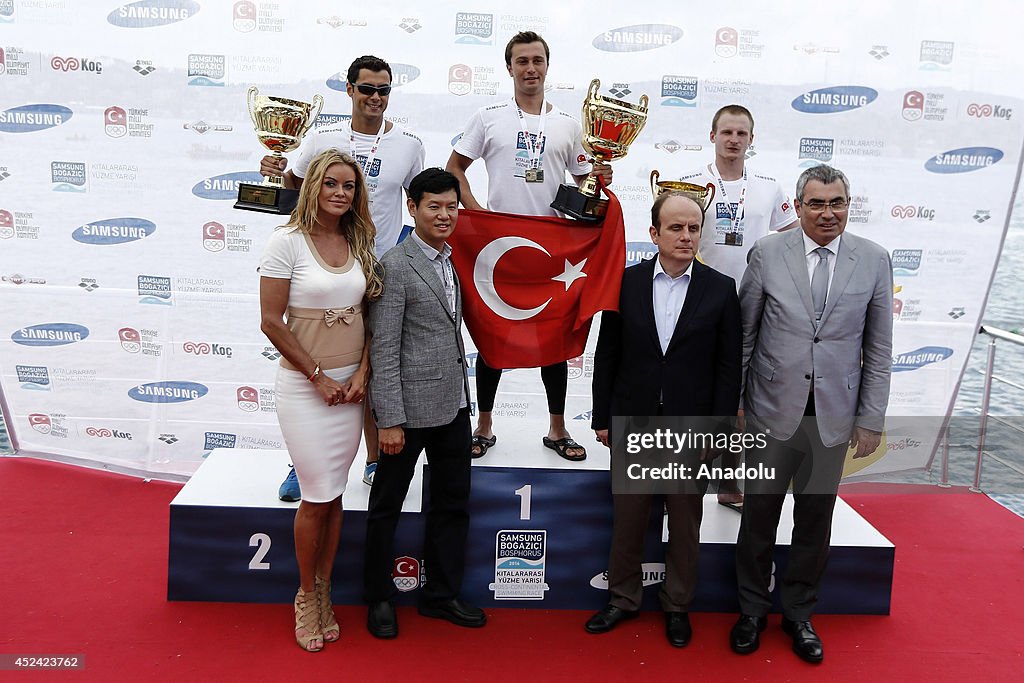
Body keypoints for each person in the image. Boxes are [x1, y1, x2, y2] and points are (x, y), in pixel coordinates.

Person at [730, 164, 893, 663]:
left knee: (814, 521)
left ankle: (799, 614)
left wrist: (870, 420)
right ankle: (752, 611)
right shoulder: (766, 253)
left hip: (833, 418)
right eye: (817, 203)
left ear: (849, 204)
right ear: (798, 207)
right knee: (758, 518)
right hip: (767, 412)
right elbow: (745, 335)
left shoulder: (875, 260)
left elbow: (879, 348)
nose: (828, 213)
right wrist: (735, 404)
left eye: (837, 202)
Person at [263, 55, 425, 498]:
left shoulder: (409, 144)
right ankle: (303, 462)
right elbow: (293, 186)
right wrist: (273, 172)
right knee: (312, 358)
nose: (376, 97)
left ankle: (375, 462)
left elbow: (419, 201)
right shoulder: (320, 136)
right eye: (367, 88)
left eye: (384, 90)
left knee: (378, 367)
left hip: (381, 270)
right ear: (349, 89)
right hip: (325, 266)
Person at [446, 31, 611, 462]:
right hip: (499, 249)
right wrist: (477, 213)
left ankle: (557, 429)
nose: (531, 68)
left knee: (553, 339)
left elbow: (583, 181)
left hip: (551, 252)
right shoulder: (488, 116)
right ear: (509, 68)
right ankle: (483, 425)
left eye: (537, 60)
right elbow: (455, 169)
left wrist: (599, 181)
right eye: (522, 61)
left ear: (547, 66)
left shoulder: (569, 125)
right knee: (492, 337)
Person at [586, 192, 741, 647]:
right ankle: (622, 599)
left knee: (685, 523)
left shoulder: (720, 288)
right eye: (676, 228)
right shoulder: (626, 283)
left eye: (694, 228)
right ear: (654, 234)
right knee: (629, 520)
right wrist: (603, 417)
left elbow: (728, 367)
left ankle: (677, 605)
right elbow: (607, 356)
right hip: (633, 422)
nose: (686, 236)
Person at [258, 150, 383, 651]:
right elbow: (270, 321)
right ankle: (306, 596)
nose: (339, 192)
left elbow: (374, 314)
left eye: (349, 186)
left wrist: (363, 373)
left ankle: (326, 590)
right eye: (330, 183)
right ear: (312, 186)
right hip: (306, 389)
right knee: (315, 496)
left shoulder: (360, 238)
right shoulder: (284, 242)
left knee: (334, 494)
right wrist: (317, 377)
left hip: (351, 388)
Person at [363, 168, 486, 638]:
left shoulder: (451, 259)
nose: (445, 214)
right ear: (412, 208)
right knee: (386, 507)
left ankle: (441, 595)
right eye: (433, 206)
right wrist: (389, 420)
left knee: (452, 506)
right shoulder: (395, 265)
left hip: (453, 407)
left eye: (451, 206)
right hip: (406, 416)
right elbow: (384, 348)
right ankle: (378, 597)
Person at [678, 104, 798, 512]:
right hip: (696, 301)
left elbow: (793, 239)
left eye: (741, 133)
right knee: (687, 389)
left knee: (742, 396)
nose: (733, 140)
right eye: (726, 132)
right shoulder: (689, 184)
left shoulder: (769, 187)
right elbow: (673, 230)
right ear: (712, 136)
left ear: (751, 139)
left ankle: (730, 482)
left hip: (751, 305)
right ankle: (676, 480)